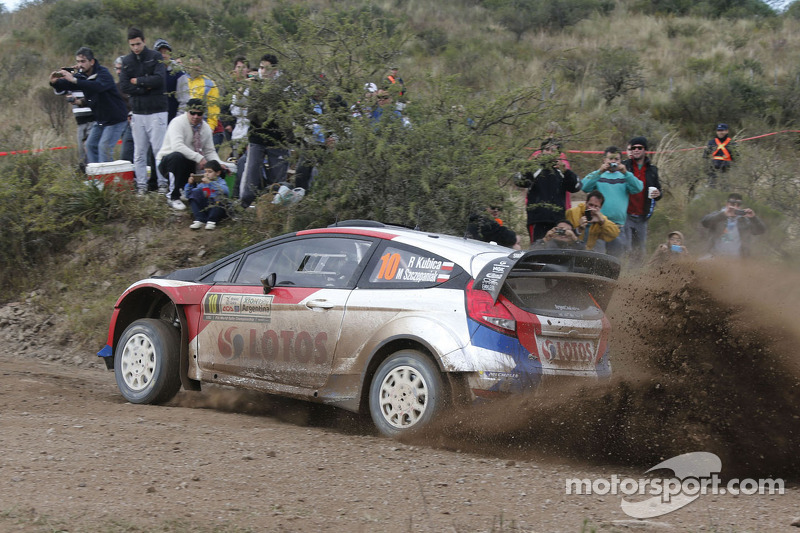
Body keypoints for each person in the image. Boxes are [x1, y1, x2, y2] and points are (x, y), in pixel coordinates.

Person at [50, 47, 127, 164]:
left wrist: (74, 80)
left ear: (92, 62)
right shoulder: (82, 76)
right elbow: (68, 84)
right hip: (101, 119)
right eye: (78, 62)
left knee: (104, 148)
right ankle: (97, 179)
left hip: (115, 119)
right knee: (90, 146)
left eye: (83, 61)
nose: (80, 65)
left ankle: (109, 179)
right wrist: (55, 82)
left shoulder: (103, 73)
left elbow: (97, 86)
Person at [119, 27, 169, 195]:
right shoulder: (127, 61)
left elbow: (159, 80)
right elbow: (125, 86)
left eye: (138, 44)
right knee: (139, 152)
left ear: (144, 41)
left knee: (158, 150)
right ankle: (141, 185)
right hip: (138, 111)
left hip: (157, 110)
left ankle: (162, 182)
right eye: (132, 45)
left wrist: (138, 81)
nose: (136, 48)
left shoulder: (155, 57)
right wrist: (144, 87)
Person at [238, 54, 291, 208]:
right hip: (257, 134)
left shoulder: (284, 85)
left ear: (275, 70)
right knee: (252, 170)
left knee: (277, 175)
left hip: (277, 136)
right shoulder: (254, 84)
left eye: (267, 68)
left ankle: (273, 207)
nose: (263, 72)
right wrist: (245, 85)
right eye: (261, 67)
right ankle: (245, 204)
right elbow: (238, 102)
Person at [156, 99, 222, 210]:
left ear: (203, 114)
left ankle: (214, 198)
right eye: (192, 113)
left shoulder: (205, 128)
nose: (195, 116)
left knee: (218, 168)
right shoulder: (177, 122)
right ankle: (173, 196)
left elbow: (210, 151)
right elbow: (177, 146)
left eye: (199, 114)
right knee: (177, 157)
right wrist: (199, 158)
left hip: (191, 163)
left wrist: (219, 164)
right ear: (187, 112)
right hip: (168, 161)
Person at [581, 146, 643, 257]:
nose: (613, 162)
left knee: (615, 260)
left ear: (621, 161)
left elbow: (638, 187)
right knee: (596, 258)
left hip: (617, 226)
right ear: (604, 160)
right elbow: (584, 186)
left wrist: (626, 172)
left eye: (617, 159)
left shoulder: (625, 177)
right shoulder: (598, 175)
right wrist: (599, 171)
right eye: (610, 159)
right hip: (598, 223)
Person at [514, 139, 581, 242]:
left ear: (559, 154)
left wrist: (566, 171)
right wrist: (531, 165)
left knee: (556, 250)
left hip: (558, 221)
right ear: (541, 151)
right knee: (537, 249)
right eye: (547, 149)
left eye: (553, 150)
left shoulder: (562, 171)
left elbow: (576, 186)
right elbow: (519, 180)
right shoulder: (535, 168)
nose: (549, 152)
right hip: (537, 219)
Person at [622, 136, 662, 267]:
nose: (636, 150)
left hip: (643, 216)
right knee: (626, 248)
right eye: (634, 148)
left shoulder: (652, 170)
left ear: (645, 150)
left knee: (640, 251)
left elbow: (658, 191)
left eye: (640, 147)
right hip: (626, 214)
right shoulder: (625, 166)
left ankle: (634, 279)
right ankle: (622, 275)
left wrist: (658, 194)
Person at [700, 193, 766, 258]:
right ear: (727, 204)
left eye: (738, 204)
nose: (735, 207)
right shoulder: (718, 215)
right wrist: (724, 215)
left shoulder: (745, 220)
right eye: (732, 204)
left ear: (741, 206)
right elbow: (704, 222)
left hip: (736, 260)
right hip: (715, 256)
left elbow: (760, 231)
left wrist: (753, 218)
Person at [176, 55, 222, 145]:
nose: (196, 67)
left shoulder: (209, 84)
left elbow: (214, 109)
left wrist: (210, 129)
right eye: (193, 64)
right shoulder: (182, 79)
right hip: (183, 124)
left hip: (201, 125)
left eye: (198, 65)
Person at [186, 160, 230, 230]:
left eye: (210, 172)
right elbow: (189, 195)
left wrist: (210, 183)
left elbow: (225, 191)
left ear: (218, 173)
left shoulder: (221, 182)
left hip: (218, 209)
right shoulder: (203, 183)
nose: (207, 174)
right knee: (195, 194)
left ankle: (212, 220)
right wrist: (190, 184)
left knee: (219, 197)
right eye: (205, 172)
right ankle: (200, 219)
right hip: (206, 207)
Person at [153, 38, 185, 123]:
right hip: (154, 120)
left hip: (173, 120)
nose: (163, 55)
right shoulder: (150, 72)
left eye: (166, 52)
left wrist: (177, 121)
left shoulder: (178, 73)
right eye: (160, 52)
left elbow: (184, 100)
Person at [114, 56, 134, 163]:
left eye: (121, 69)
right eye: (116, 69)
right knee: (126, 155)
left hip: (140, 121)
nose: (118, 72)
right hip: (123, 124)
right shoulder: (115, 87)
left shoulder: (136, 83)